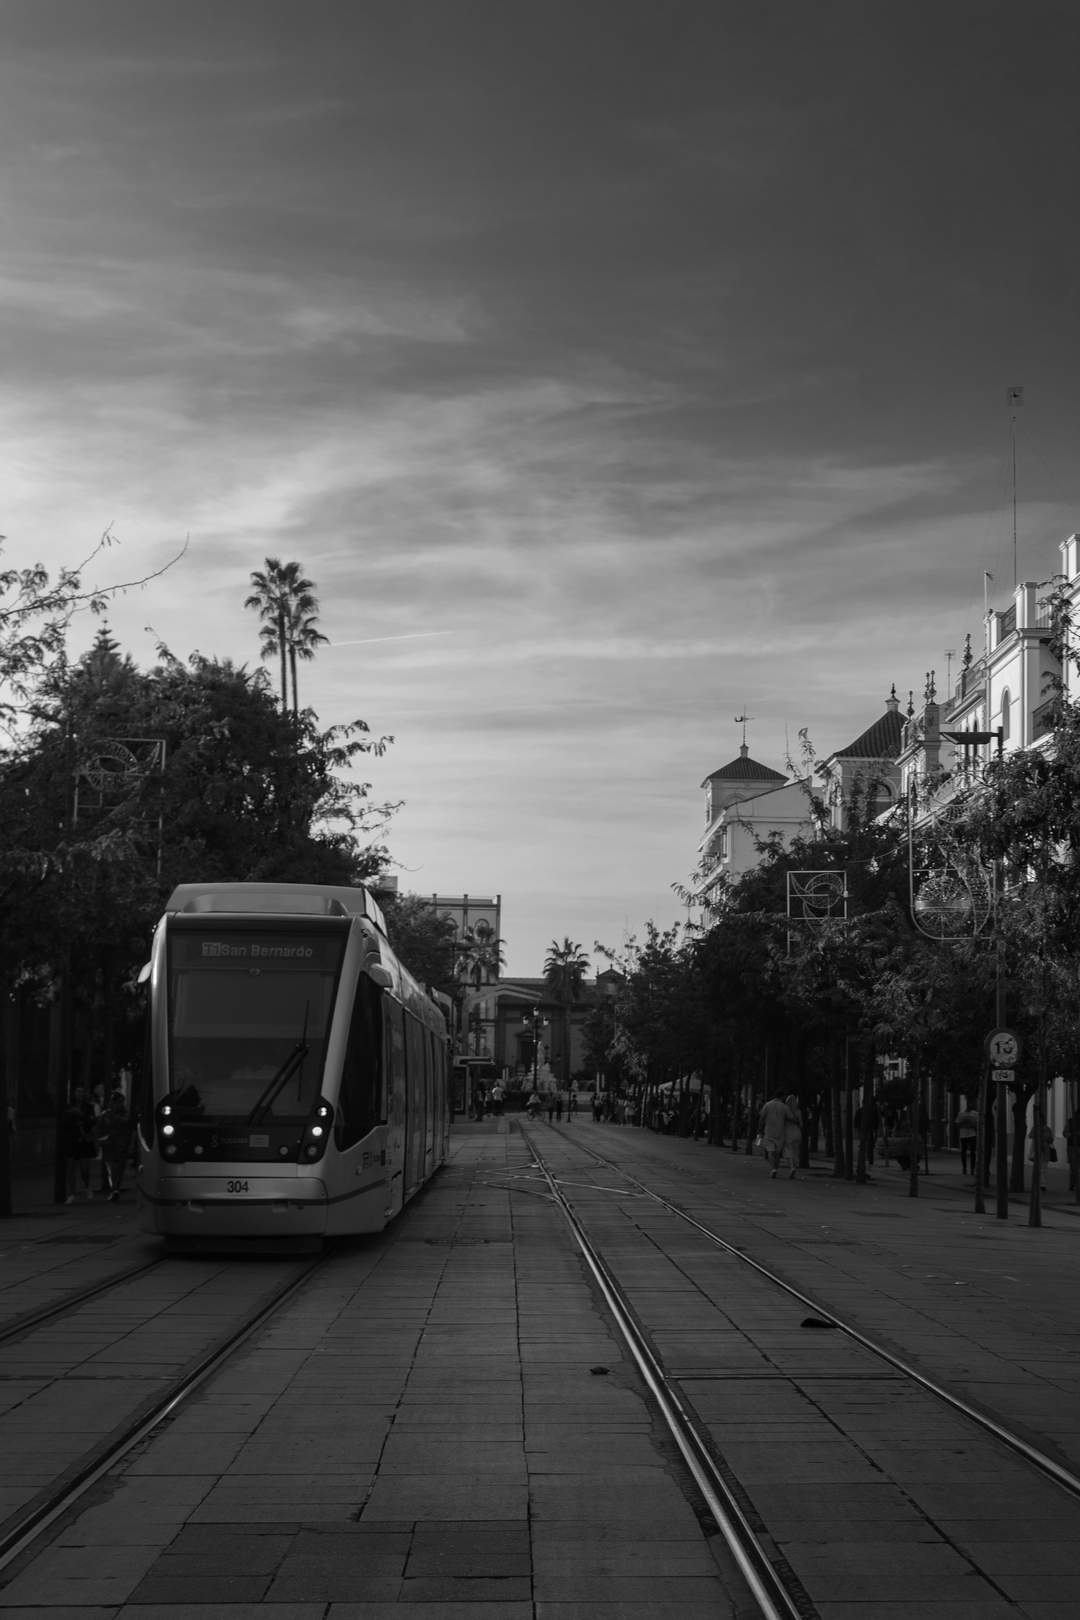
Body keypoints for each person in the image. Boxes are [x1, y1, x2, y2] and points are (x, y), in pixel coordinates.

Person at [62, 1087, 98, 1202]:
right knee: (70, 1166)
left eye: (83, 1092)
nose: (80, 1094)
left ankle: (87, 1186)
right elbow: (65, 1122)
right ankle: (71, 1194)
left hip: (84, 1139)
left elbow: (91, 1121)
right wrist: (79, 1121)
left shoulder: (89, 1107)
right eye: (78, 1091)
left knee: (84, 1167)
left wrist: (80, 1114)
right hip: (72, 1139)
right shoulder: (68, 1107)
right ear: (74, 1093)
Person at [98, 1091, 133, 1201]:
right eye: (119, 1102)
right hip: (109, 1145)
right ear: (113, 1102)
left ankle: (115, 1188)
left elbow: (129, 1128)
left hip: (122, 1145)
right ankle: (115, 1188)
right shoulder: (106, 1115)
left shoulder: (126, 1114)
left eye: (122, 1102)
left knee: (119, 1167)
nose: (121, 1104)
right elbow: (99, 1129)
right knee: (112, 1167)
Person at [757, 1090, 794, 1179]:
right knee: (777, 1152)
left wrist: (759, 1130)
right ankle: (775, 1168)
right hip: (780, 1132)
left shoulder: (767, 1105)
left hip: (769, 1131)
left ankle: (773, 1169)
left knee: (770, 1151)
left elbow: (762, 1118)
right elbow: (791, 1118)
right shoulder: (784, 1107)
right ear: (783, 1096)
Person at [1028, 1119, 1055, 1191]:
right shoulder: (1035, 1128)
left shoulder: (1048, 1129)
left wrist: (1046, 1139)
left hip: (1045, 1151)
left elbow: (1051, 1139)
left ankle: (1042, 1184)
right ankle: (1036, 1182)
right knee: (1037, 1167)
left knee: (1043, 1168)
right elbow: (1030, 1135)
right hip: (1037, 1150)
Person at [954, 1101, 979, 1175]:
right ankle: (964, 1168)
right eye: (970, 1103)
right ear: (967, 1104)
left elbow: (977, 1124)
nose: (972, 1104)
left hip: (972, 1135)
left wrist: (972, 1126)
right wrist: (961, 1123)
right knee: (963, 1152)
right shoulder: (961, 1113)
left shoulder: (975, 1113)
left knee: (973, 1152)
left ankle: (972, 1169)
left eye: (972, 1103)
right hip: (963, 1135)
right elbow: (956, 1124)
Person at [780, 1094, 802, 1180]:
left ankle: (792, 1167)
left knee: (788, 1150)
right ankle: (794, 1168)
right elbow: (802, 1124)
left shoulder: (786, 1111)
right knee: (795, 1152)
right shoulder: (798, 1111)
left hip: (788, 1132)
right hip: (797, 1132)